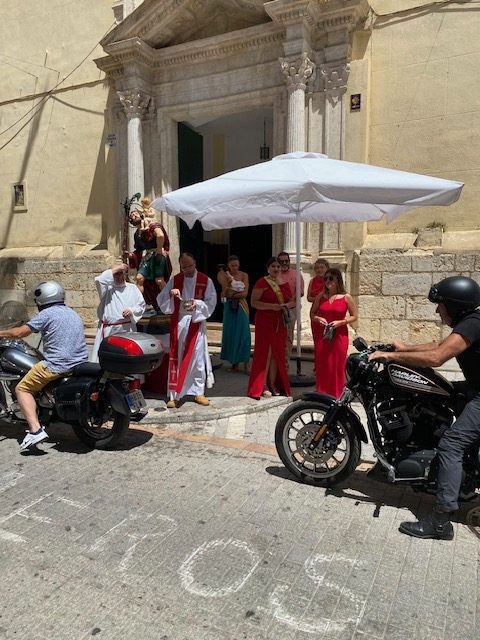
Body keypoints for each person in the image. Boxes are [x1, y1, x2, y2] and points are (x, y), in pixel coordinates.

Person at [369, 276, 480, 541]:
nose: (437, 310)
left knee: (451, 444)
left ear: (455, 305)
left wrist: (390, 356)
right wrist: (404, 348)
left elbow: (437, 357)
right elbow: (438, 346)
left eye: (441, 305)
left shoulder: (473, 323)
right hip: (474, 387)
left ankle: (441, 521)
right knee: (437, 395)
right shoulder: (469, 322)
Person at [0, 281, 88, 451]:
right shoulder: (71, 312)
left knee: (22, 389)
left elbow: (20, 332)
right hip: (78, 362)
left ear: (42, 298)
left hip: (57, 364)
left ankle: (35, 430)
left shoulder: (47, 314)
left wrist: (1, 333)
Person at [157, 252, 216, 408]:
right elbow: (161, 300)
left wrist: (198, 304)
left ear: (195, 263)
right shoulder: (175, 280)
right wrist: (170, 293)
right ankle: (175, 395)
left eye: (190, 266)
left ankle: (198, 392)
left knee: (197, 358)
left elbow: (211, 302)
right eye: (184, 267)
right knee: (177, 357)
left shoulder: (205, 280)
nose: (188, 270)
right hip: (180, 323)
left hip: (196, 323)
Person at [247, 257, 295, 400]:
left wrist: (286, 305)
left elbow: (292, 301)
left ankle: (273, 383)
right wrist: (272, 307)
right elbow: (254, 302)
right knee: (266, 352)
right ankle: (262, 385)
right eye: (273, 266)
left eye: (278, 267)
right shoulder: (262, 282)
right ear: (268, 268)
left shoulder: (284, 283)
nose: (276, 269)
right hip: (265, 321)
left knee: (277, 353)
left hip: (280, 321)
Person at [311, 268, 357, 398]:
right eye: (325, 278)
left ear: (338, 280)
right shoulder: (320, 296)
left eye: (331, 278)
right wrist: (318, 319)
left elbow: (354, 316)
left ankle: (336, 394)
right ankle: (322, 393)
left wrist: (341, 322)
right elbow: (312, 313)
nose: (327, 281)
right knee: (322, 364)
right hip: (323, 335)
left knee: (337, 364)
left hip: (339, 335)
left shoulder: (346, 297)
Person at [91, 261, 146, 362]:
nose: (118, 276)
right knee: (109, 358)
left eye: (121, 273)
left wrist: (132, 311)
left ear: (125, 274)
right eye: (116, 274)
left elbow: (141, 305)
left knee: (126, 357)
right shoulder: (107, 288)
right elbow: (99, 280)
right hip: (109, 330)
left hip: (127, 329)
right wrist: (118, 268)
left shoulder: (132, 288)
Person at [126, 199, 172, 307]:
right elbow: (139, 249)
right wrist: (131, 255)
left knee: (159, 280)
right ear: (131, 221)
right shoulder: (137, 234)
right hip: (147, 256)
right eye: (132, 216)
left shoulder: (152, 226)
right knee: (139, 278)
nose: (135, 215)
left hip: (158, 255)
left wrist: (159, 249)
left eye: (136, 213)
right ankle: (140, 304)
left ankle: (167, 303)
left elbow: (160, 235)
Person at [217, 255, 251, 373]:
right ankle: (234, 363)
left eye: (236, 265)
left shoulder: (244, 275)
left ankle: (246, 363)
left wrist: (233, 294)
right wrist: (228, 283)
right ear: (228, 266)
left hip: (241, 305)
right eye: (232, 265)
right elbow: (224, 292)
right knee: (231, 333)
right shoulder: (224, 275)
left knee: (244, 333)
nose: (235, 267)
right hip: (229, 306)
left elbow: (244, 293)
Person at [277, 251, 304, 369]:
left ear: (289, 261)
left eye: (286, 261)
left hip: (291, 309)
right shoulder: (274, 274)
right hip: (276, 309)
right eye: (281, 261)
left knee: (287, 337)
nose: (284, 263)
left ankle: (285, 363)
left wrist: (289, 302)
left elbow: (300, 292)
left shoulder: (296, 274)